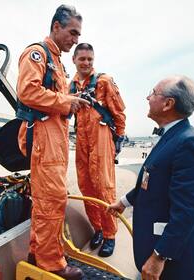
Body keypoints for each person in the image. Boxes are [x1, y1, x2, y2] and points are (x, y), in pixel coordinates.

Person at [108, 75, 194, 280]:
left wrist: (159, 256)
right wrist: (124, 202)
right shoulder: (172, 136)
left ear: (168, 104)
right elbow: (153, 180)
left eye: (153, 93)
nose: (148, 98)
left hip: (173, 266)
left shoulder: (188, 143)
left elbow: (187, 211)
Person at [16, 5, 90, 280]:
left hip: (55, 140)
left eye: (78, 34)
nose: (75, 38)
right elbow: (28, 91)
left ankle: (39, 252)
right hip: (45, 140)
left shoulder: (57, 60)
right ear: (56, 27)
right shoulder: (38, 54)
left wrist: (69, 103)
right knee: (52, 201)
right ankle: (51, 264)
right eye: (72, 32)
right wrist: (67, 102)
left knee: (47, 202)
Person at [70, 43, 126, 257]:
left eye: (89, 59)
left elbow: (119, 113)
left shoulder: (104, 82)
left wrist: (118, 139)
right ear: (74, 60)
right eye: (82, 59)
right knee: (86, 186)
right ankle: (98, 229)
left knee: (104, 187)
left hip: (101, 138)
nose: (85, 63)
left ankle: (110, 235)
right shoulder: (72, 85)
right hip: (82, 140)